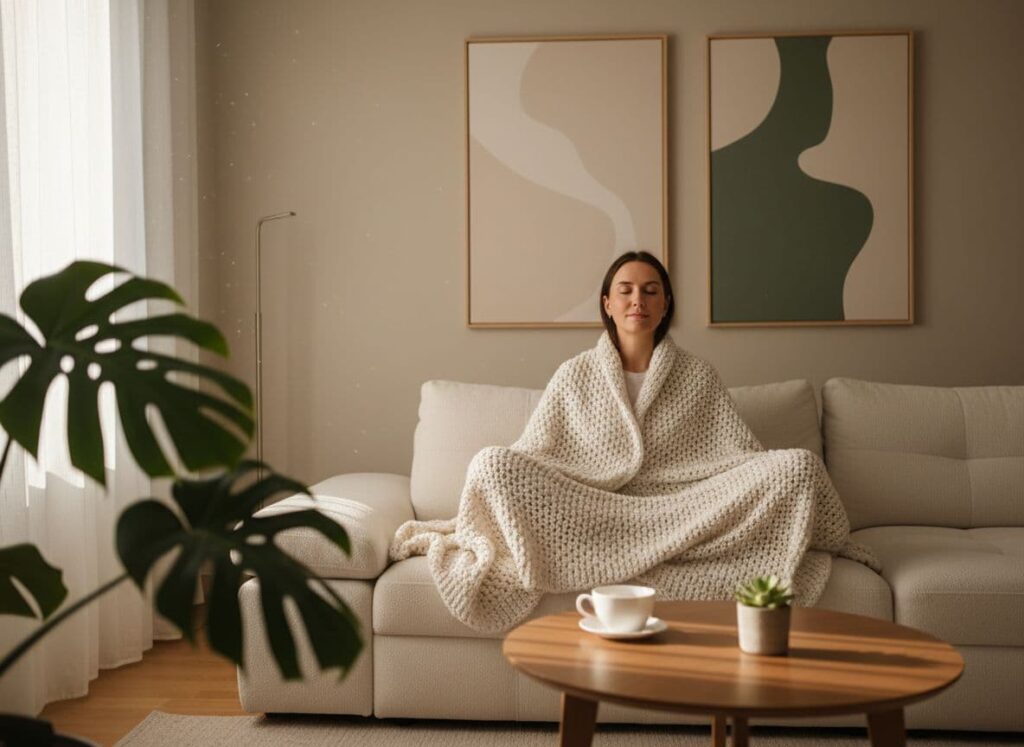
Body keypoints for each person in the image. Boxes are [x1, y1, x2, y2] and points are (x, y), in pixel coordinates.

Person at [391, 250, 875, 633]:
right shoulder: (575, 374)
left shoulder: (698, 376)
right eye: (625, 291)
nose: (637, 300)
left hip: (683, 508)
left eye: (650, 291)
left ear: (665, 305)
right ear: (608, 304)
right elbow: (533, 452)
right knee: (493, 463)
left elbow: (738, 458)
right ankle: (630, 547)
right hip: (593, 508)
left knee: (797, 465)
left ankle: (648, 545)